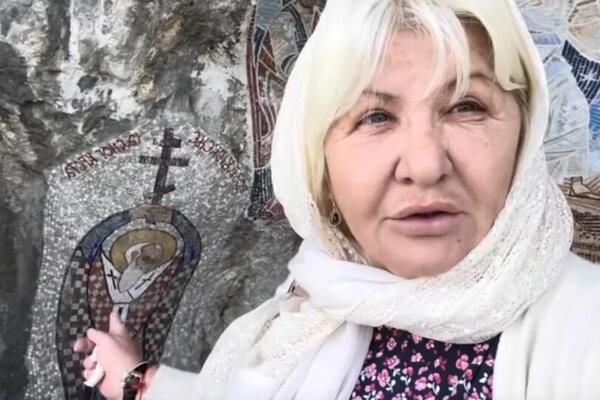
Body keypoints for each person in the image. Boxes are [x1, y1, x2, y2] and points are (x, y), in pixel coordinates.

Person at [74, 0, 600, 399]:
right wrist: (139, 381)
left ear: (525, 139)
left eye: (466, 106)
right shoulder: (315, 302)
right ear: (319, 170)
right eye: (376, 116)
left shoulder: (586, 332)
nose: (424, 165)